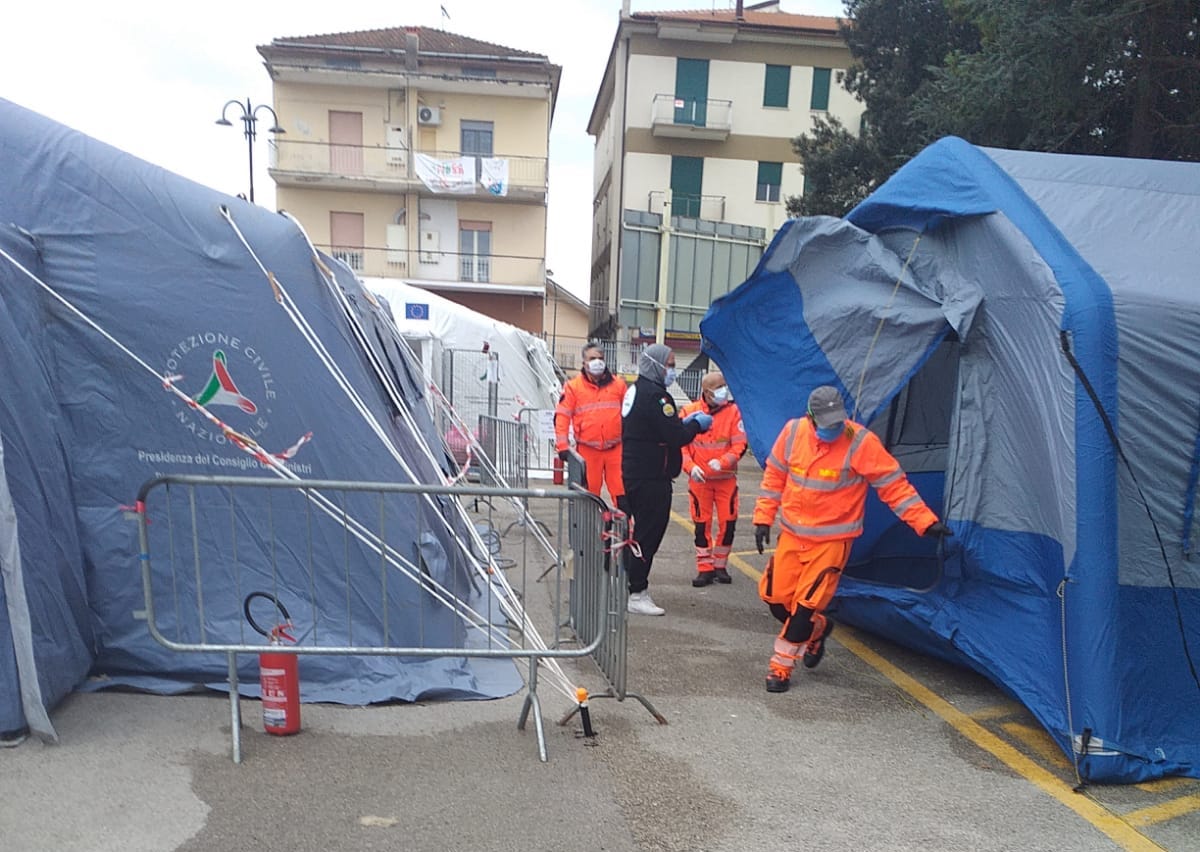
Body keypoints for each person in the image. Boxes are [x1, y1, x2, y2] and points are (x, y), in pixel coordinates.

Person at [753, 385, 952, 692]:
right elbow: (774, 477)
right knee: (777, 602)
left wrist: (924, 522)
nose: (833, 428)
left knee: (805, 606)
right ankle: (818, 629)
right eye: (827, 423)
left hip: (833, 542)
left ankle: (780, 667)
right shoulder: (793, 433)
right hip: (793, 536)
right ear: (811, 417)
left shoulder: (860, 442)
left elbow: (893, 485)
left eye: (837, 421)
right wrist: (763, 518)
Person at [621, 344, 712, 616]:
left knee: (639, 534)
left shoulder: (636, 390)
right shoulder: (658, 397)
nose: (672, 369)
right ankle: (637, 591)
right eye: (670, 364)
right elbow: (675, 437)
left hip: (636, 472)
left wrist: (684, 425)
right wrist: (696, 425)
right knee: (648, 535)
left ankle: (630, 584)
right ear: (656, 365)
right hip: (651, 477)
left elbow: (658, 430)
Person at [679, 370, 748, 587]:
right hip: (699, 481)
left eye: (723, 385)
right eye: (718, 387)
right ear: (706, 392)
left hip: (725, 479)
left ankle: (720, 565)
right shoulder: (689, 412)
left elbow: (740, 444)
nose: (723, 391)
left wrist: (724, 461)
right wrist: (691, 468)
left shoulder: (735, 412)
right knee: (701, 525)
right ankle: (705, 568)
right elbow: (680, 446)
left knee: (728, 523)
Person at [554, 342, 627, 506]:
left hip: (616, 449)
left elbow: (629, 415)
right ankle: (590, 530)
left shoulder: (619, 385)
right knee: (589, 496)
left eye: (600, 358)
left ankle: (625, 529)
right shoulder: (573, 387)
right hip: (588, 451)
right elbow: (562, 416)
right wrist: (562, 446)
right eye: (592, 358)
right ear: (584, 362)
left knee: (622, 493)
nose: (597, 362)